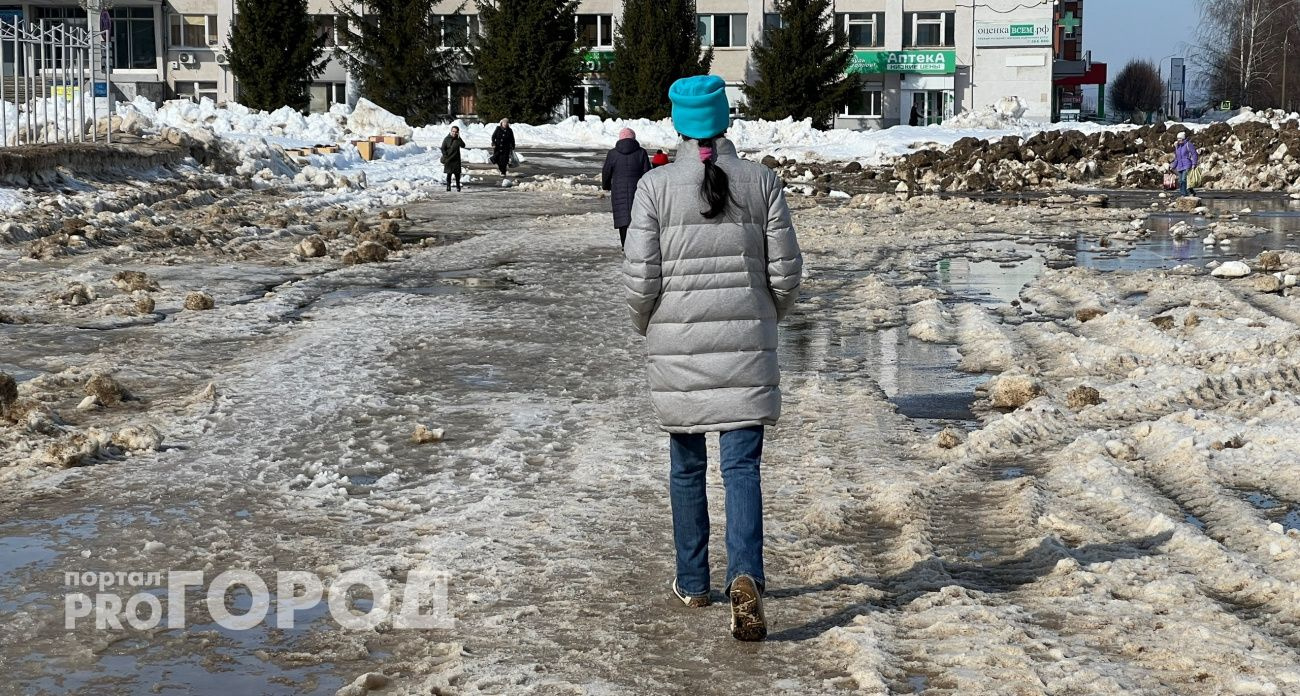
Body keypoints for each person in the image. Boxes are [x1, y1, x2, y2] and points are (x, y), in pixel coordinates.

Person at [622, 74, 803, 642]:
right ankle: (745, 575)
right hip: (747, 349)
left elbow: (640, 279)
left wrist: (646, 325)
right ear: (725, 120)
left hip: (678, 351)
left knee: (686, 468)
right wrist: (767, 313)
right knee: (742, 468)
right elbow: (787, 271)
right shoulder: (763, 181)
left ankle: (693, 580)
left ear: (678, 123)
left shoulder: (654, 187)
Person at [601, 127, 651, 247]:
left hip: (619, 191)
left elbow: (606, 171)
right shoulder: (641, 152)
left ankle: (625, 245)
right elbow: (647, 172)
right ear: (634, 138)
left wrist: (606, 185)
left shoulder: (612, 153)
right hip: (638, 190)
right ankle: (638, 246)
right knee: (637, 217)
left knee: (622, 216)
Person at [440, 125, 466, 192]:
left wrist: (459, 138)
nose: (454, 133)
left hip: (456, 160)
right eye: (453, 131)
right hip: (449, 159)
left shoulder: (458, 139)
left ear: (458, 132)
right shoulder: (446, 139)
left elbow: (463, 145)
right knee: (449, 174)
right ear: (451, 131)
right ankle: (448, 186)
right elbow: (443, 148)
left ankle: (458, 186)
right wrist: (445, 155)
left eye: (456, 132)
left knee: (457, 175)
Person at [1173, 130, 1199, 197]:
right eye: (1178, 139)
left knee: (1184, 180)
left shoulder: (1188, 144)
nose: (1179, 140)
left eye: (1180, 139)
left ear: (1183, 139)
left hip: (1187, 164)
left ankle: (1184, 194)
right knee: (1180, 181)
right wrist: (1173, 166)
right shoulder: (1177, 146)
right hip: (1179, 166)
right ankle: (1191, 192)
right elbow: (1177, 157)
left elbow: (1194, 154)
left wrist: (1194, 163)